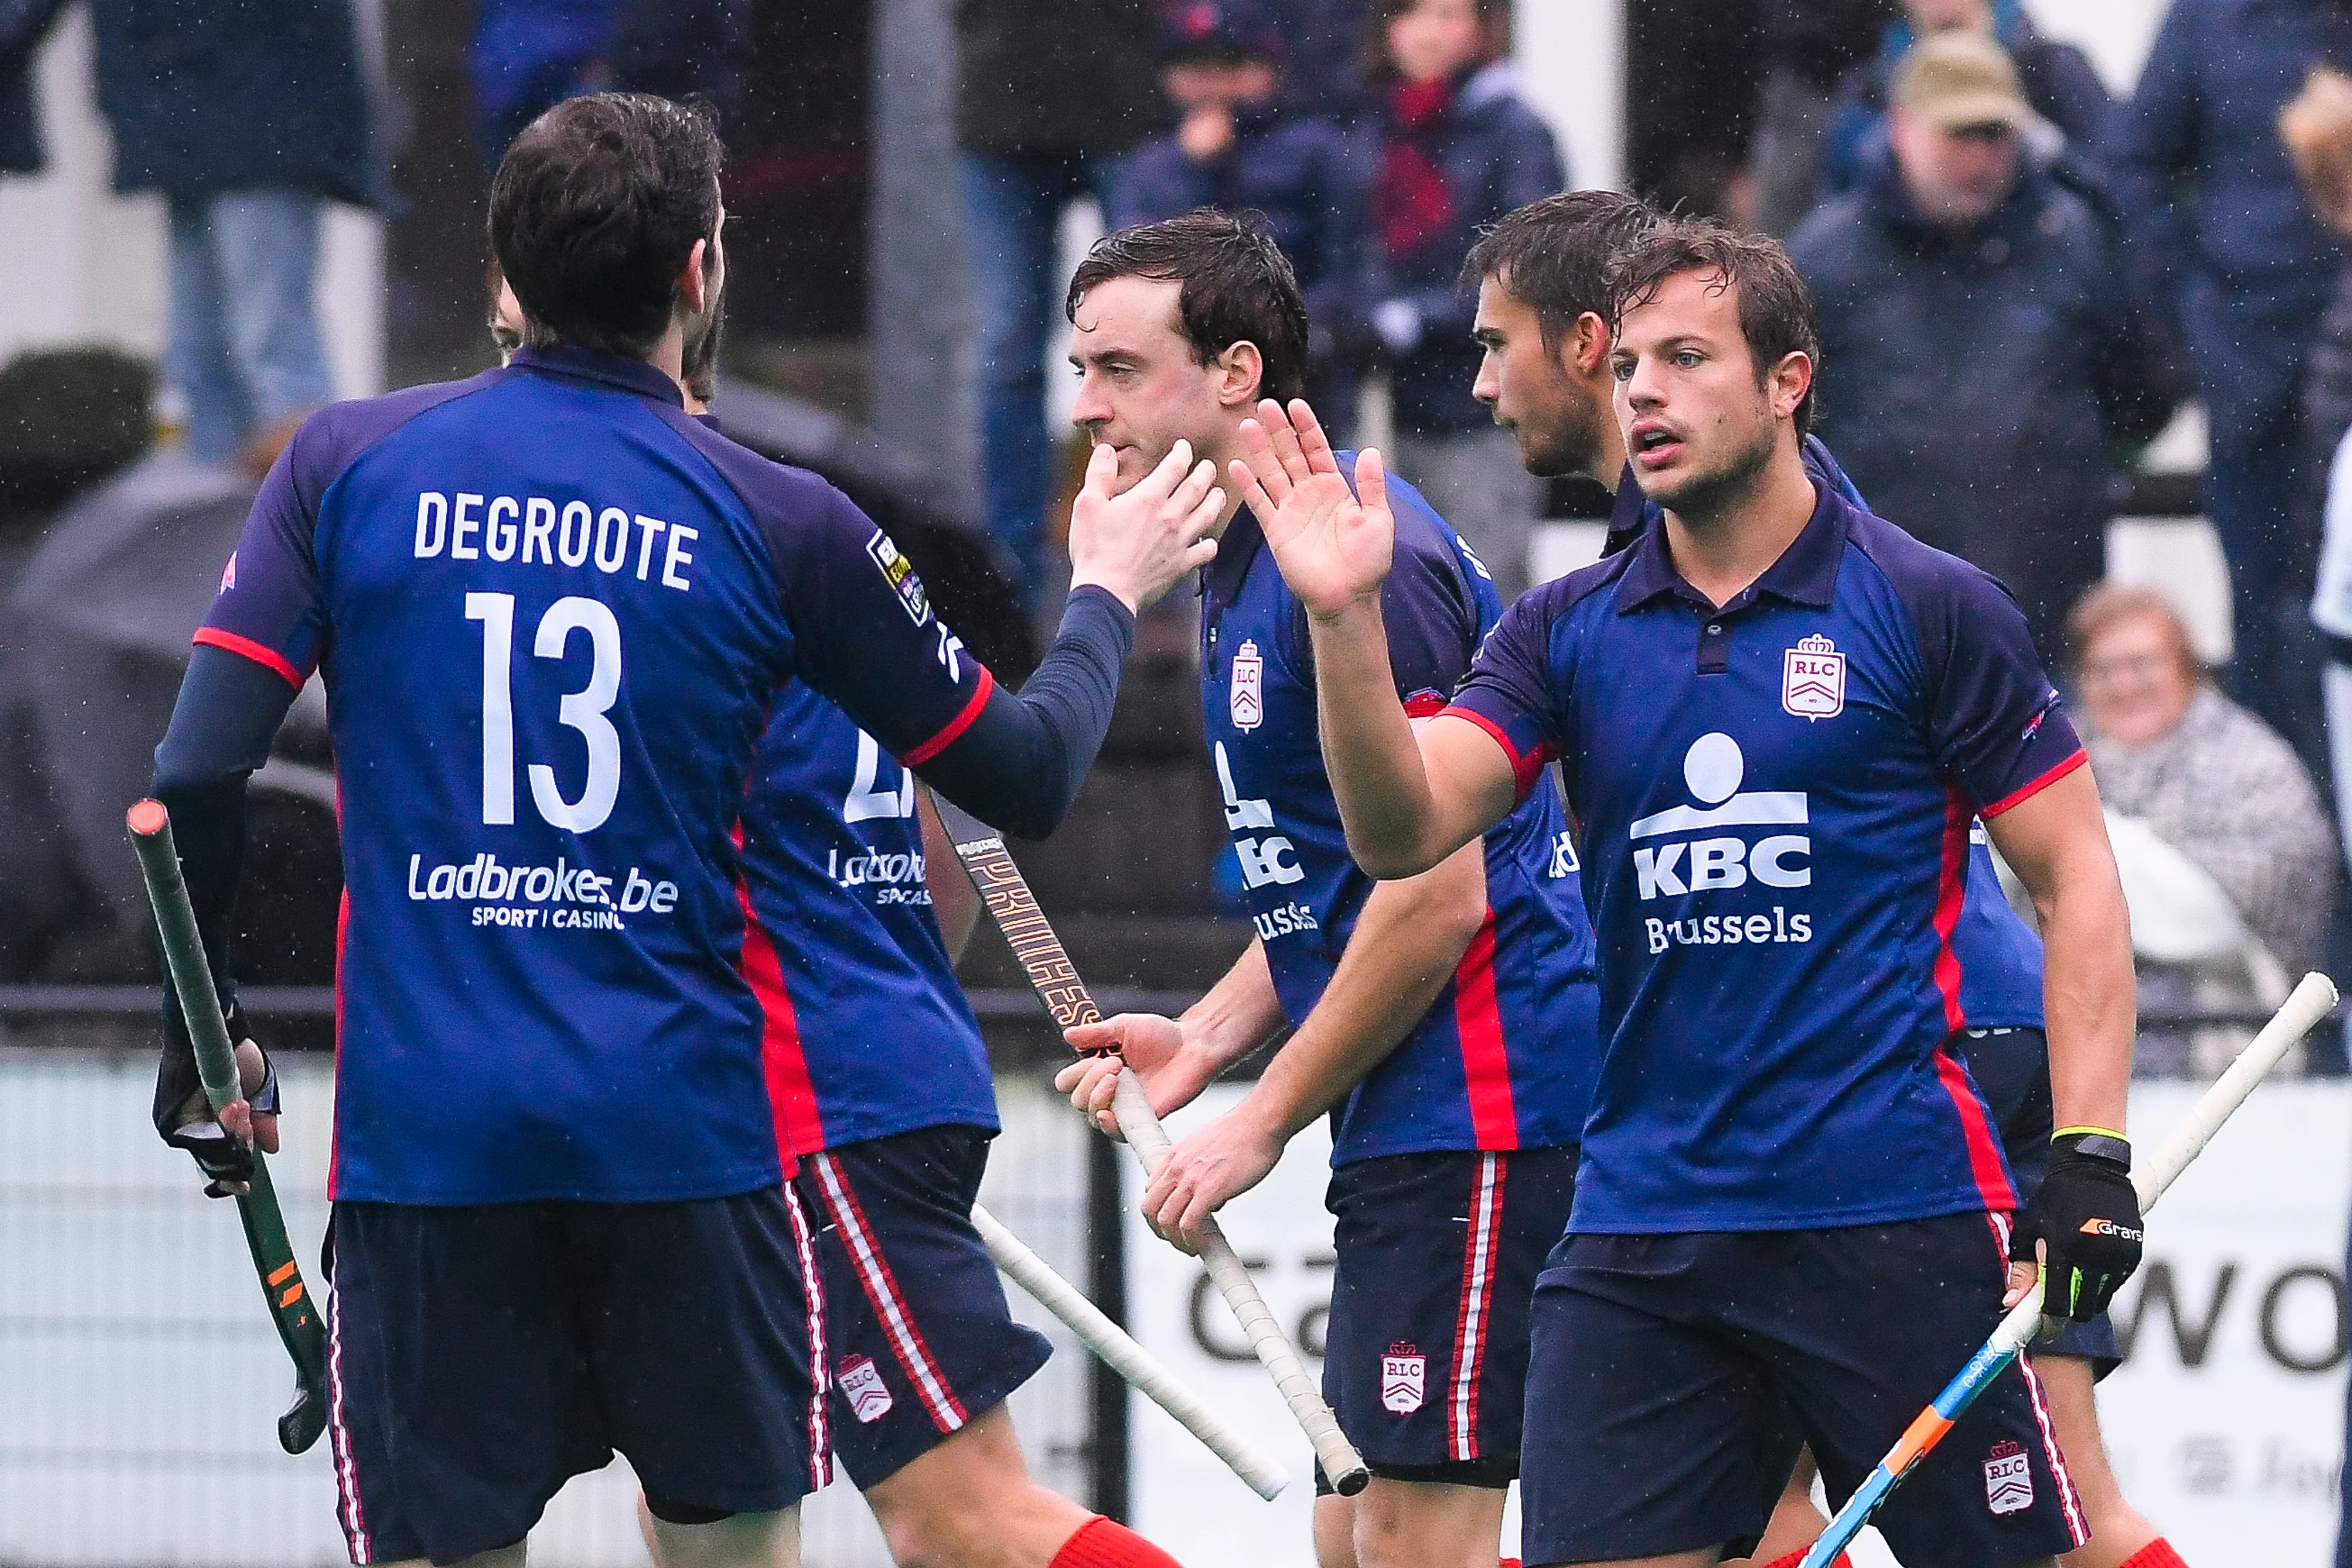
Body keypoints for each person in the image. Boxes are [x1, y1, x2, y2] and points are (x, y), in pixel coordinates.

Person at [145, 91, 1222, 1568]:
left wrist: (200, 1047)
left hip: (430, 1151)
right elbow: (1021, 775)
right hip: (691, 1148)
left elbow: (194, 772)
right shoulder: (791, 519)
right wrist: (1105, 585)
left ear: (503, 273)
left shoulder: (340, 466)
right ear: (702, 274)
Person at [1243, 216, 2142, 1568]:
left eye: (1688, 358)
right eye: (1631, 369)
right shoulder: (1563, 629)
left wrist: (2091, 1158)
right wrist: (1342, 624)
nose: (1645, 392)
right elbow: (1399, 827)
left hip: (1888, 1214)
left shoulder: (1931, 606)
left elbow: (2076, 879)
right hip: (1643, 1231)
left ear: (1789, 381)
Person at [490, 277, 1187, 1568]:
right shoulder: (807, 547)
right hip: (823, 1094)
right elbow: (944, 874)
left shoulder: (663, 567)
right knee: (710, 1504)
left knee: (962, 1521)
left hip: (820, 1110)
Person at [1052, 209, 1596, 1568]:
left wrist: (1261, 1125)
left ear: (1236, 372)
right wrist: (1213, 1035)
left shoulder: (1363, 563)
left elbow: (1436, 892)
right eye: (1081, 368)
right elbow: (1331, 886)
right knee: (1354, 1534)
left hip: (1488, 1102)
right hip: (1413, 1113)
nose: (1087, 407)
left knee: (1417, 1540)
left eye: (1119, 368)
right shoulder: (1240, 563)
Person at [1788, 31, 2181, 656]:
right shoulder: (1825, 261)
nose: (1979, 158)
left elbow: (2145, 389)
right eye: (1959, 135)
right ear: (1902, 128)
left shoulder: (2079, 243)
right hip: (1874, 611)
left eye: (1994, 135)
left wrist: (2069, 477)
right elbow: (1782, 426)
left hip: (2046, 607)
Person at [2107, 0, 2352, 765]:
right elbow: (2134, 160)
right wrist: (2189, 305)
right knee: (2265, 610)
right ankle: (2285, 830)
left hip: (2331, 346)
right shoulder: (2210, 21)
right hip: (2251, 356)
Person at [83, 0, 384, 470]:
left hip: (250, 125)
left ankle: (311, 516)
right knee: (201, 354)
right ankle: (219, 523)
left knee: (268, 346)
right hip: (200, 130)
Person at [2070, 582, 2338, 1073]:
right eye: (2103, 670)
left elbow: (2222, 921)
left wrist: (2079, 848)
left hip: (2227, 1040)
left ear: (2186, 669)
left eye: (2143, 665)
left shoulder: (2251, 761)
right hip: (2072, 1043)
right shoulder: (2049, 761)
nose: (2124, 685)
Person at [956, 0, 1163, 607]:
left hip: (1119, 93)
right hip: (1004, 98)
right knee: (1008, 349)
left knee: (1153, 333)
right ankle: (1007, 581)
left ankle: (1162, 557)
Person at [1358, 0, 1564, 602]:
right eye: (1413, 15)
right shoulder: (1377, 129)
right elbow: (1358, 246)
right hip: (1395, 396)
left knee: (1489, 585)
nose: (1429, 34)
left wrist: (1419, 316)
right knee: (1414, 594)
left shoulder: (1514, 132)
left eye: (1449, 15)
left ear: (1481, 27)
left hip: (1486, 407)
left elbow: (1523, 268)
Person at [1108, 0, 1367, 438]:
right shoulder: (1153, 164)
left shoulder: (1317, 150)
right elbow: (1139, 270)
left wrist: (1291, 333)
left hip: (1304, 373)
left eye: (1229, 65)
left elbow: (1352, 267)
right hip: (1192, 372)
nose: (1213, 85)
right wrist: (1194, 170)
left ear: (1267, 68)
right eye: (1195, 67)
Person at [1815, 0, 2109, 205]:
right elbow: (1837, 201)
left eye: (1990, 132)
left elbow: (2116, 185)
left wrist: (2044, 150)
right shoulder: (1870, 90)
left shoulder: (2053, 72)